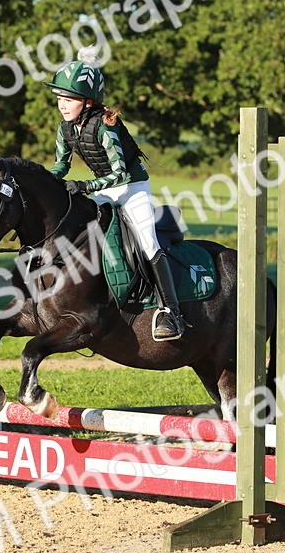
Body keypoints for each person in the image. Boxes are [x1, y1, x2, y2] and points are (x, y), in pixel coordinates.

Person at [45, 46, 186, 341]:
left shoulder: (105, 126)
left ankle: (171, 312)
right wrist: (42, 181)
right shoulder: (65, 129)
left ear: (87, 101)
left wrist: (84, 187)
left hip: (132, 188)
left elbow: (120, 173)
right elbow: (60, 166)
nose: (62, 104)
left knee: (147, 242)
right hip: (105, 190)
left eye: (68, 98)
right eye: (59, 98)